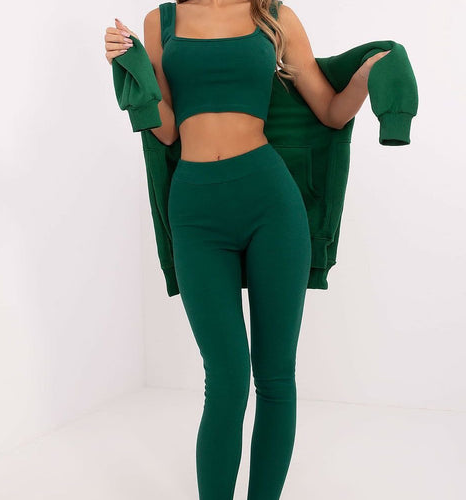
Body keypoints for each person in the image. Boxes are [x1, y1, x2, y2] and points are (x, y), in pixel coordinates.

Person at [104, 1, 389, 498]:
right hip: (195, 210)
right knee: (227, 378)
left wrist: (365, 76)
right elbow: (166, 130)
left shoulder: (272, 15)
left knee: (275, 377)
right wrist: (131, 71)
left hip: (270, 202)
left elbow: (330, 111)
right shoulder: (161, 22)